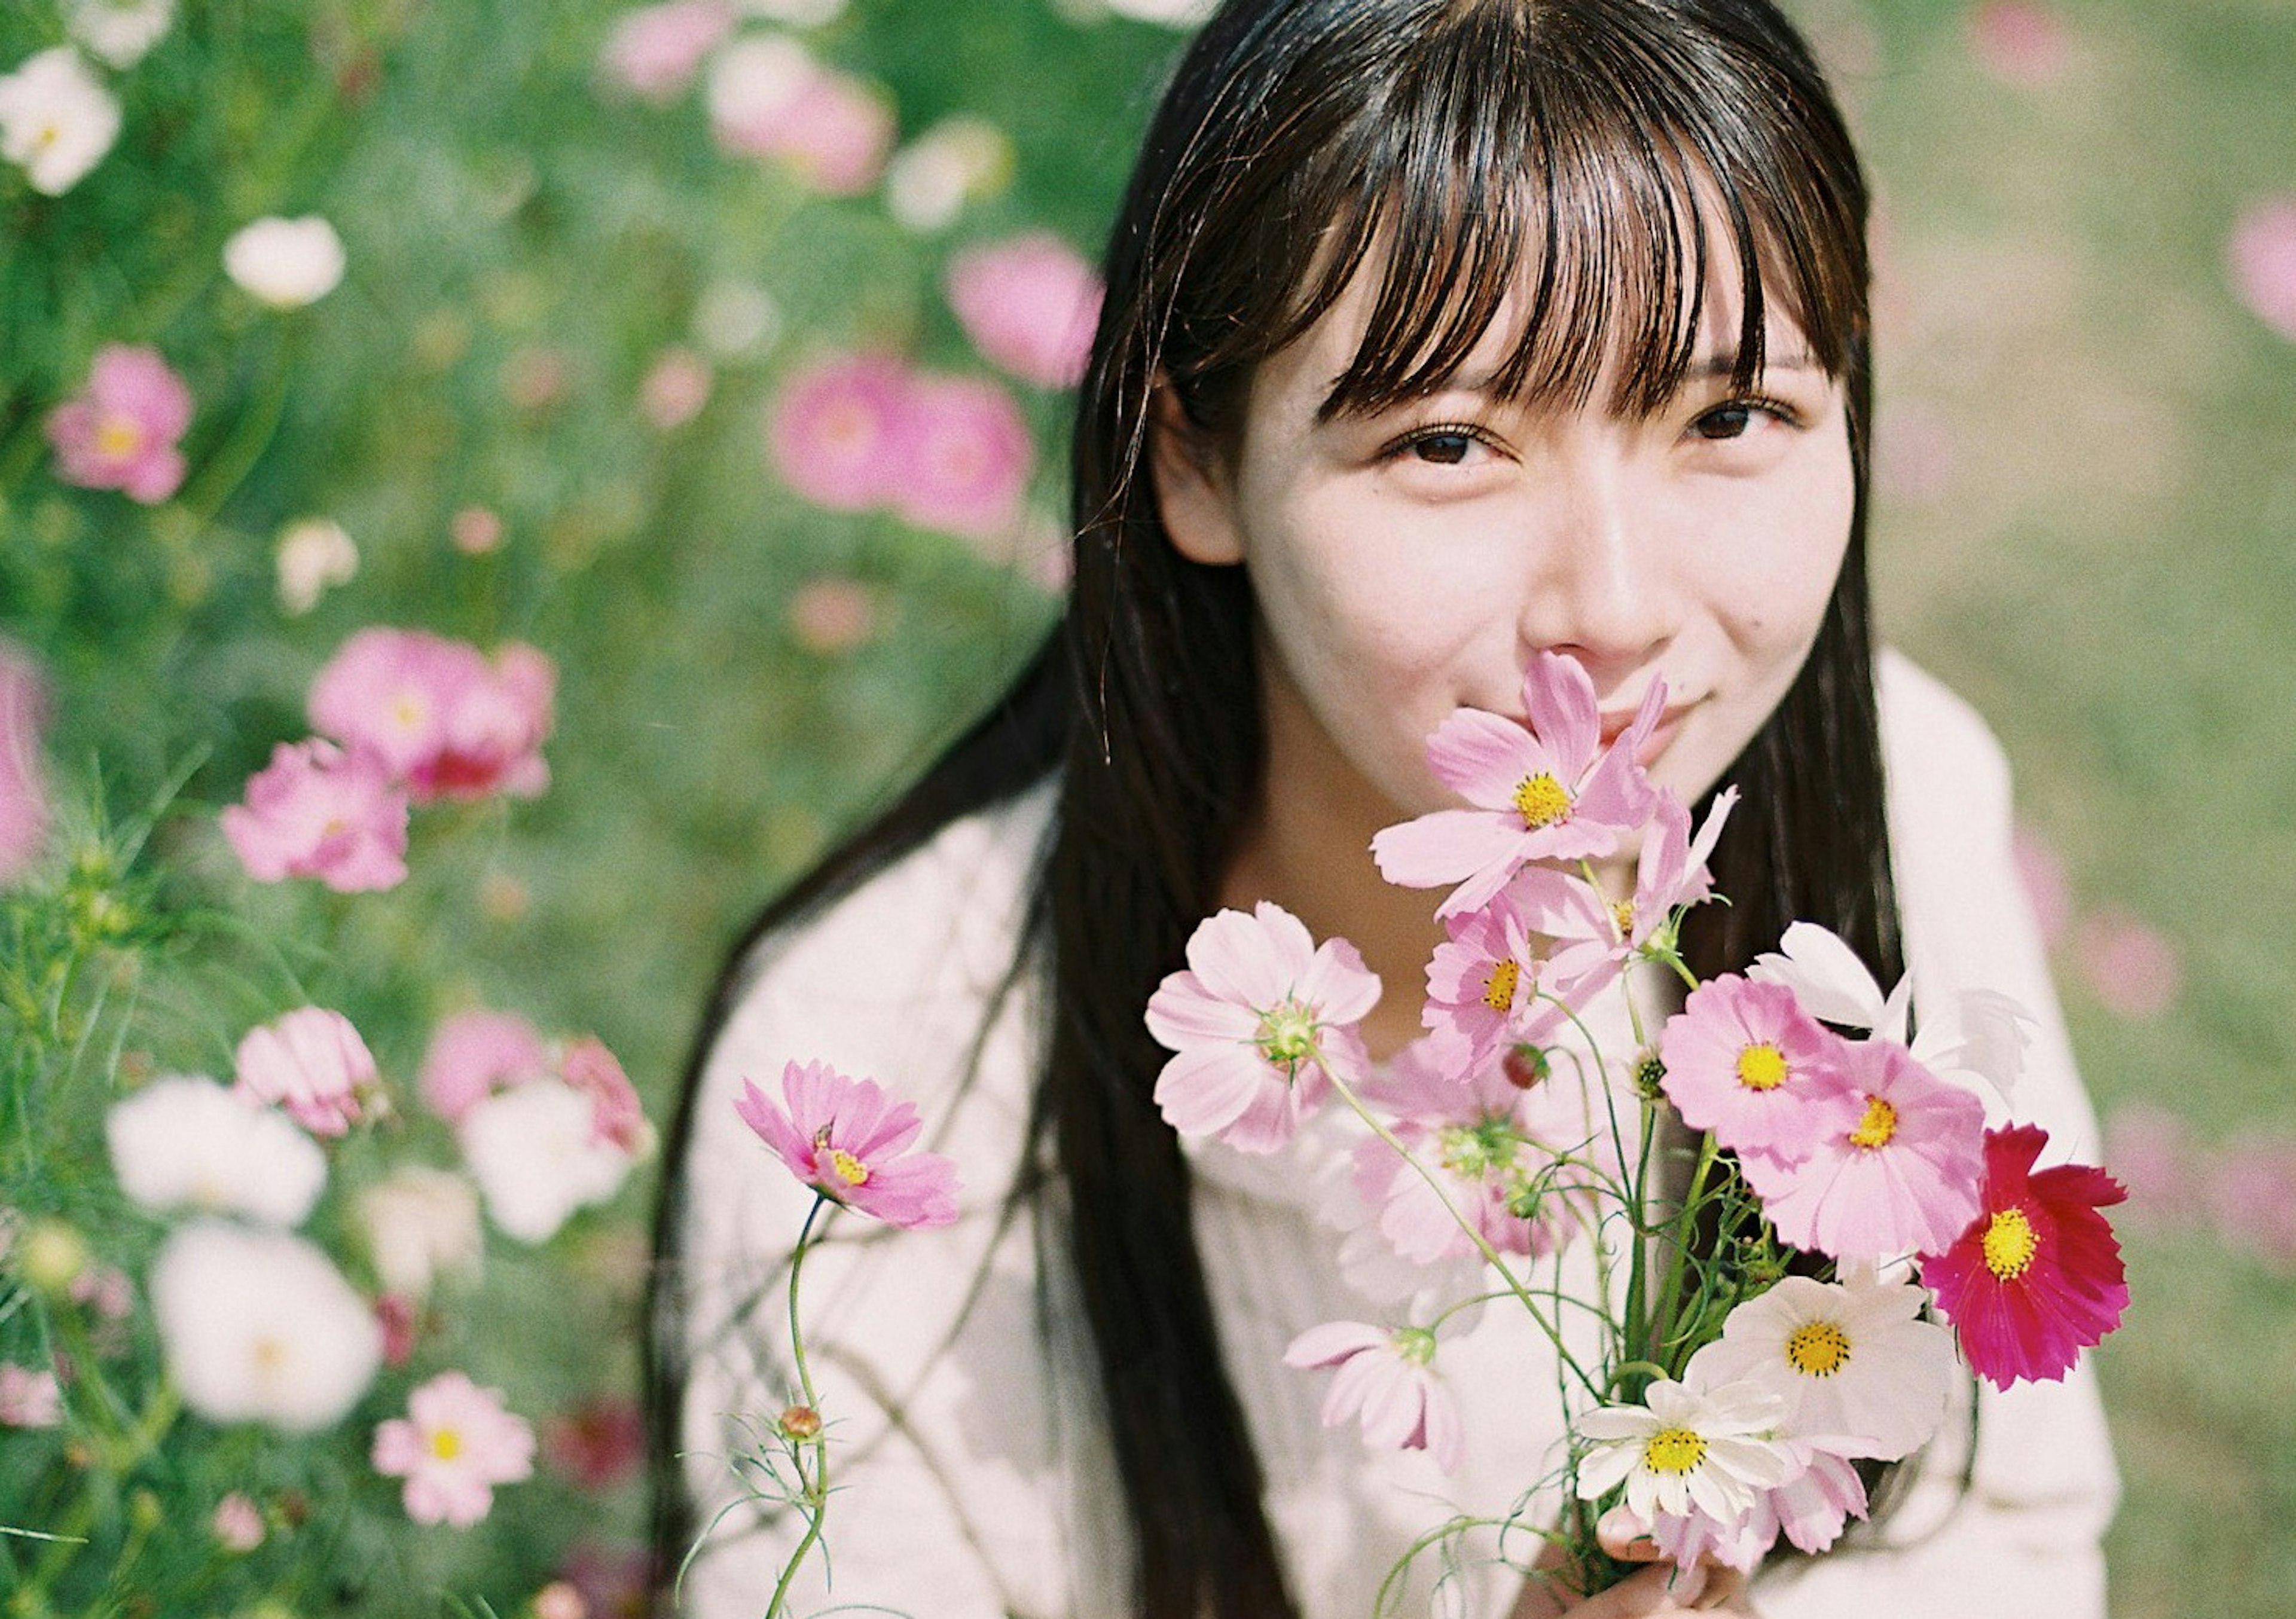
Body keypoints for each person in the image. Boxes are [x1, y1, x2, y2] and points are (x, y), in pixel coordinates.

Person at [645, 0, 2118, 1614]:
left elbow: (2009, 1534)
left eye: (1729, 417)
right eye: (1449, 441)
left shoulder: (1898, 787)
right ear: (1191, 460)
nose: (1614, 610)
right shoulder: (885, 1092)